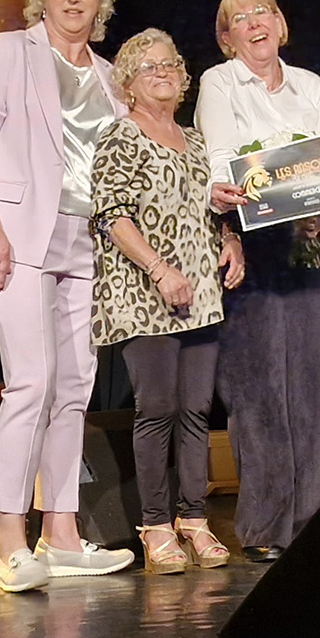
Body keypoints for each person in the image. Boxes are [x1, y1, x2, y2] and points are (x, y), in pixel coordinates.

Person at [0, 0, 135, 592]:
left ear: (102, 1)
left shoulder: (112, 76)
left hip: (87, 246)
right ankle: (8, 543)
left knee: (75, 387)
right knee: (30, 381)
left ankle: (60, 533)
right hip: (18, 236)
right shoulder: (8, 51)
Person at [194, 0, 320, 563]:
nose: (254, 24)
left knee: (310, 384)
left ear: (281, 23)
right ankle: (265, 526)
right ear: (226, 38)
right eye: (238, 19)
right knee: (257, 388)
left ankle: (319, 519)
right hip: (252, 244)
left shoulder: (310, 84)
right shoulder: (218, 82)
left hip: (313, 242)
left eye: (263, 13)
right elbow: (223, 161)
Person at [91, 29, 245, 573]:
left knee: (197, 410)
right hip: (143, 293)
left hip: (199, 293)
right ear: (127, 83)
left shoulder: (198, 141)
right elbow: (111, 215)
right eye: (149, 66)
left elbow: (213, 209)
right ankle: (156, 525)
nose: (163, 72)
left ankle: (194, 519)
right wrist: (159, 270)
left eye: (171, 64)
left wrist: (230, 242)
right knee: (157, 408)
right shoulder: (120, 138)